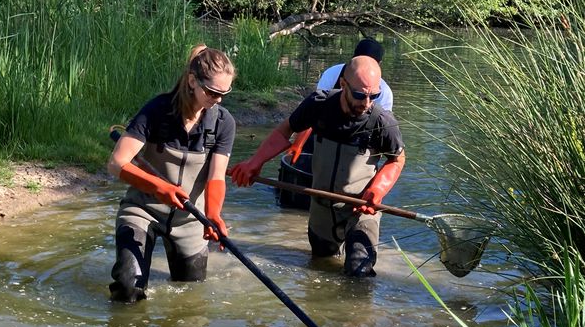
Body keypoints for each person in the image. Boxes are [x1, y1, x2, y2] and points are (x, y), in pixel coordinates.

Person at [229, 55, 405, 277]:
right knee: (320, 271)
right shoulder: (319, 105)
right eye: (360, 95)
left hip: (360, 209)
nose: (367, 103)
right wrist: (254, 163)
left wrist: (378, 189)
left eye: (374, 95)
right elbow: (284, 133)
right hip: (321, 209)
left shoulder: (381, 121)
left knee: (359, 270)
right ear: (343, 85)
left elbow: (397, 160)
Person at [107, 44, 236, 302]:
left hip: (190, 220)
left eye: (225, 93)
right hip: (142, 209)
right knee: (127, 287)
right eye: (212, 92)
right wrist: (158, 187)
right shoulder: (156, 110)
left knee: (188, 298)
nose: (218, 100)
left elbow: (217, 177)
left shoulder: (224, 123)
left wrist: (212, 216)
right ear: (192, 81)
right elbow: (117, 163)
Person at [288, 37, 393, 162]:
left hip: (358, 143)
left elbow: (381, 133)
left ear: (378, 65)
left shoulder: (385, 92)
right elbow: (312, 114)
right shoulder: (332, 74)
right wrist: (297, 145)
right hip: (324, 132)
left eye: (372, 96)